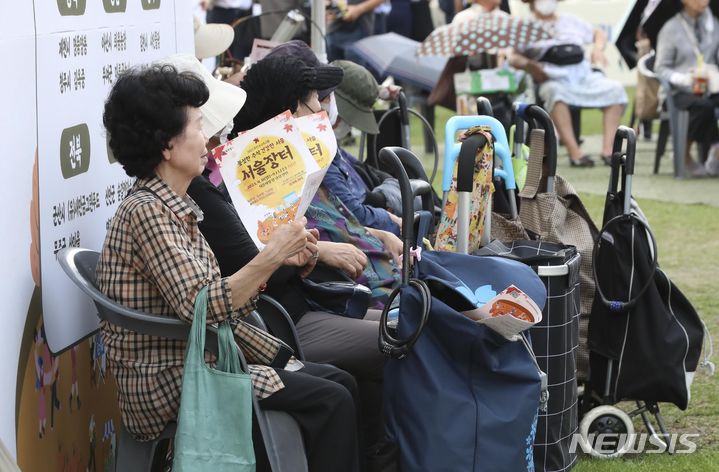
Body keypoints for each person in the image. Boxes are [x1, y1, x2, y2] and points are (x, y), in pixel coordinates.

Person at [97, 60, 361, 472]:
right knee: (333, 399)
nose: (208, 138)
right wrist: (271, 256)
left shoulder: (172, 204)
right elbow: (202, 306)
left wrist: (277, 259)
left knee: (338, 383)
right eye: (198, 127)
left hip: (201, 360)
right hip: (173, 380)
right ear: (167, 145)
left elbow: (213, 299)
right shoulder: (147, 212)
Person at [196, 53, 392, 466]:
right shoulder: (224, 181)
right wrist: (309, 250)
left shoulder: (277, 164)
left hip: (310, 301)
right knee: (403, 334)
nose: (323, 109)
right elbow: (249, 268)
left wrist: (304, 249)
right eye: (314, 100)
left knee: (408, 324)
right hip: (283, 320)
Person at [509, 0, 627, 167]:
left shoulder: (571, 20)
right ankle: (575, 152)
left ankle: (608, 150)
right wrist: (530, 65)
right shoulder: (525, 27)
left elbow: (598, 34)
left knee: (616, 90)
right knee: (554, 92)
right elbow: (513, 57)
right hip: (552, 77)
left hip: (583, 75)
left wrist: (598, 49)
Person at [655, 0, 719, 177]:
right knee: (703, 107)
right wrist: (682, 79)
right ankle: (683, 153)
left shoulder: (712, 24)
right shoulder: (671, 28)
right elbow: (660, 68)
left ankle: (716, 149)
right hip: (680, 91)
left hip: (710, 86)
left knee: (709, 102)